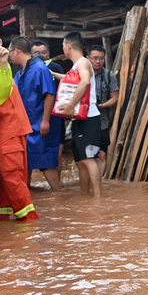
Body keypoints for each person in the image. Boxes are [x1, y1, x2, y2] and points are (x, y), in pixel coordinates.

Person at [54, 32, 102, 198]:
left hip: (89, 117)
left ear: (68, 46)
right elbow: (68, 80)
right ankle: (85, 196)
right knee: (81, 161)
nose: (63, 49)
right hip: (80, 119)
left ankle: (98, 199)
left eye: (63, 46)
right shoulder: (76, 66)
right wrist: (52, 75)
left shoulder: (83, 63)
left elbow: (85, 81)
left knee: (89, 158)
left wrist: (70, 105)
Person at [9, 37, 61, 191]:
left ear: (17, 51)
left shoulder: (39, 68)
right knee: (26, 161)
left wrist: (45, 120)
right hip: (26, 125)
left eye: (10, 52)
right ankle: (27, 194)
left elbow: (49, 94)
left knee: (45, 162)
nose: (10, 56)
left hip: (39, 123)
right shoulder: (20, 73)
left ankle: (58, 194)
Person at [0, 38, 39, 222]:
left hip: (8, 133)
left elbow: (3, 91)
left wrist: (2, 63)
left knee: (11, 178)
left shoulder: (3, 70)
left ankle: (29, 225)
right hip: (8, 132)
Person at [31, 40, 66, 180]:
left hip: (56, 116)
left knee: (57, 154)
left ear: (49, 53)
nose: (41, 55)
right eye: (37, 53)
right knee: (35, 152)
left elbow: (64, 89)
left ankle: (56, 186)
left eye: (44, 52)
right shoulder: (29, 70)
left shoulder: (56, 67)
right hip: (37, 117)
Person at [86, 44, 119, 177]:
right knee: (87, 156)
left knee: (101, 154)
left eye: (101, 58)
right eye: (95, 58)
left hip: (102, 122)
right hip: (85, 122)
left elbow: (115, 98)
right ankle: (87, 182)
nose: (98, 61)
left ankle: (98, 182)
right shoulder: (83, 75)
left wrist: (102, 106)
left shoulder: (108, 75)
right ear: (88, 58)